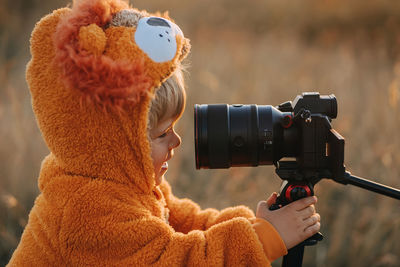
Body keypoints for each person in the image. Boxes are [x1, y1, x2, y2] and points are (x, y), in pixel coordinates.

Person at [8, 0, 320, 266]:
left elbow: (183, 221)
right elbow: (177, 258)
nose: (176, 141)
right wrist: (264, 238)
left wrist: (258, 224)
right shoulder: (87, 213)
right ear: (113, 143)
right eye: (162, 135)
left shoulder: (121, 179)